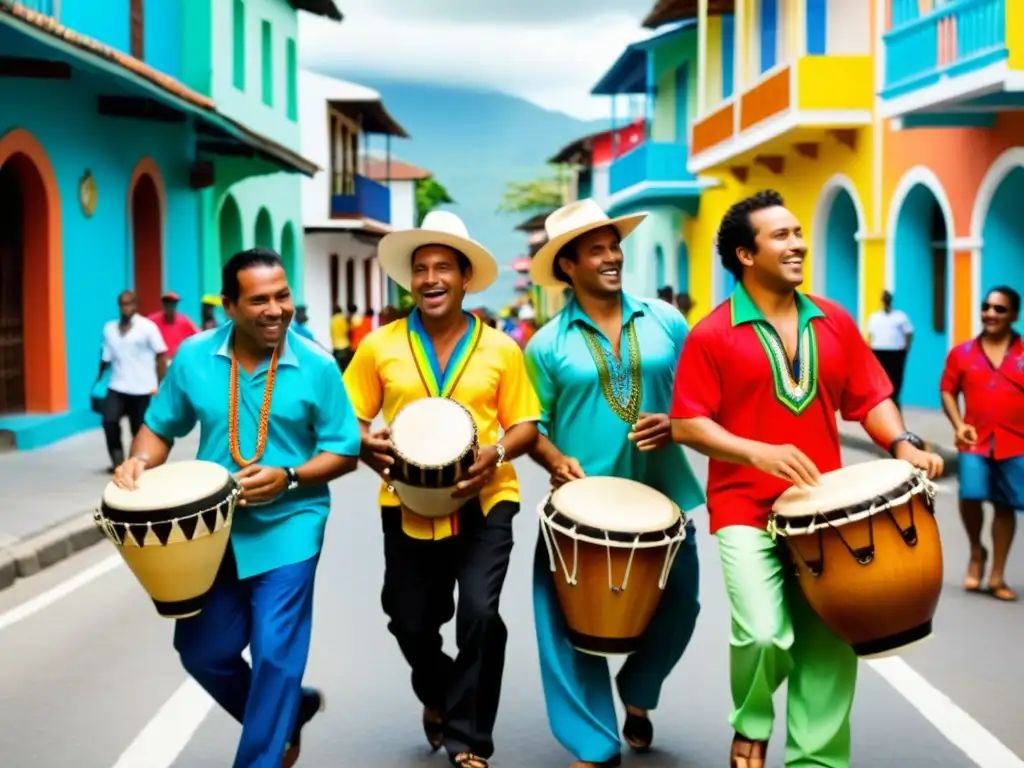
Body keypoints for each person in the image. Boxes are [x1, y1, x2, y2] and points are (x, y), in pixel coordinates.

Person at [669, 191, 944, 768]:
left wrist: (902, 444)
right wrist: (756, 453)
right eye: (781, 236)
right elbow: (689, 424)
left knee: (829, 645)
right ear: (746, 254)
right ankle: (751, 720)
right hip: (744, 508)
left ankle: (815, 762)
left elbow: (870, 396)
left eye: (798, 233)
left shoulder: (833, 319)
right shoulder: (711, 334)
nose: (797, 244)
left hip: (825, 510)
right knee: (764, 633)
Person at [111, 247, 362, 768]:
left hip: (292, 525)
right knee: (202, 653)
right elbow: (161, 425)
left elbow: (345, 450)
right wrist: (138, 460)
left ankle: (263, 753)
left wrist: (289, 475)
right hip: (210, 532)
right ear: (229, 305)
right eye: (259, 300)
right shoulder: (194, 357)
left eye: (283, 295)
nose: (276, 309)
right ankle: (285, 714)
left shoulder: (317, 364)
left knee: (275, 656)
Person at [343, 210, 540, 768]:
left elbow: (526, 422)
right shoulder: (379, 345)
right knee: (409, 620)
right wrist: (365, 443)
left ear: (465, 278)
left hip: (486, 497)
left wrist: (496, 452)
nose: (431, 279)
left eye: (444, 268)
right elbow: (348, 418)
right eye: (421, 269)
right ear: (411, 280)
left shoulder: (500, 348)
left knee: (480, 614)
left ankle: (469, 741)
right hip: (405, 501)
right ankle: (440, 692)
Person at [524, 199, 704, 768]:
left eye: (613, 245)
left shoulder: (666, 320)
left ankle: (639, 692)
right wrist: (554, 461)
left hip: (663, 500)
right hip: (581, 511)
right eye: (596, 250)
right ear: (567, 267)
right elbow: (533, 426)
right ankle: (594, 741)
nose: (611, 257)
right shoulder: (545, 344)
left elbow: (698, 401)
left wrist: (677, 424)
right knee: (564, 626)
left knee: (682, 606)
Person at [940, 285, 1024, 602]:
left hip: (1016, 443)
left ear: (1014, 315)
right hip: (975, 441)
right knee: (970, 496)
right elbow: (948, 389)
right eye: (986, 307)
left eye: (999, 309)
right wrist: (959, 424)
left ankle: (997, 575)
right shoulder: (962, 353)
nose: (990, 314)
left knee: (1005, 507)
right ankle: (977, 551)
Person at [98, 290, 168, 471]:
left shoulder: (147, 327)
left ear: (135, 305)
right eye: (122, 304)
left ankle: (134, 464)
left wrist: (161, 385)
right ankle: (117, 462)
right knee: (109, 422)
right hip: (117, 385)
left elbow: (161, 355)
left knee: (138, 430)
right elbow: (105, 358)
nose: (126, 307)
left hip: (142, 388)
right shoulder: (110, 328)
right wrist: (97, 381)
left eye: (129, 303)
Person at [866, 290, 913, 408]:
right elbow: (870, 335)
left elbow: (909, 333)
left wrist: (907, 347)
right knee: (879, 378)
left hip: (896, 352)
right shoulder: (875, 316)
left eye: (888, 298)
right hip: (878, 351)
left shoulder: (900, 316)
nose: (886, 301)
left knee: (896, 379)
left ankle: (895, 401)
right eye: (884, 298)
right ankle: (880, 401)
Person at [148, 291, 199, 360]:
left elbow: (197, 337)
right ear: (163, 305)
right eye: (167, 304)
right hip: (159, 361)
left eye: (173, 304)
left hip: (178, 360)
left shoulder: (184, 321)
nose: (170, 307)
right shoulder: (152, 321)